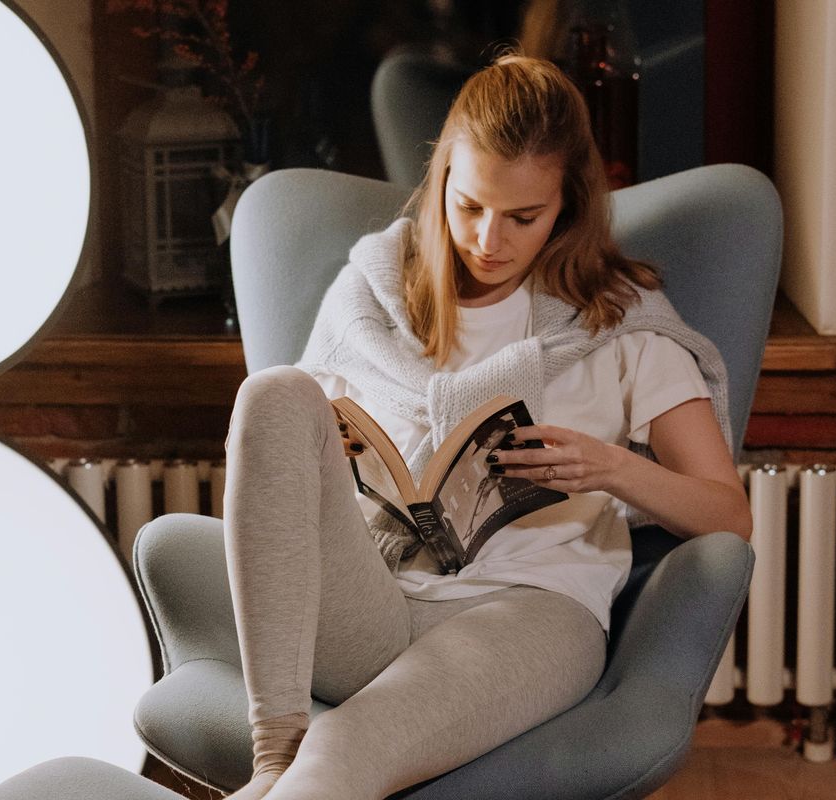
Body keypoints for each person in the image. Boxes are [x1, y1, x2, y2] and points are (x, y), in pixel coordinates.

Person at [221, 53, 752, 800]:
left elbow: (728, 513)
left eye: (522, 217)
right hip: (373, 592)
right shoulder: (375, 292)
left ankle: (291, 774)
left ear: (567, 205)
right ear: (443, 183)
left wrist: (611, 467)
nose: (487, 239)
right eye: (468, 205)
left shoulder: (621, 323)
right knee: (274, 393)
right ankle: (274, 752)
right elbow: (296, 456)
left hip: (529, 615)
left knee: (344, 749)